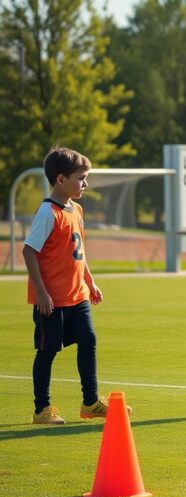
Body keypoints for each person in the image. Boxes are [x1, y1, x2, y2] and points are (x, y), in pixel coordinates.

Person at [23, 146, 131, 424]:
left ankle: (90, 402)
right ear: (60, 179)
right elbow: (29, 251)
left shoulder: (77, 209)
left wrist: (90, 282)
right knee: (48, 351)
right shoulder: (48, 212)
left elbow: (78, 253)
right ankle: (41, 409)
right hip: (52, 300)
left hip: (77, 295)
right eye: (81, 178)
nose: (85, 184)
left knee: (88, 340)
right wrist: (41, 292)